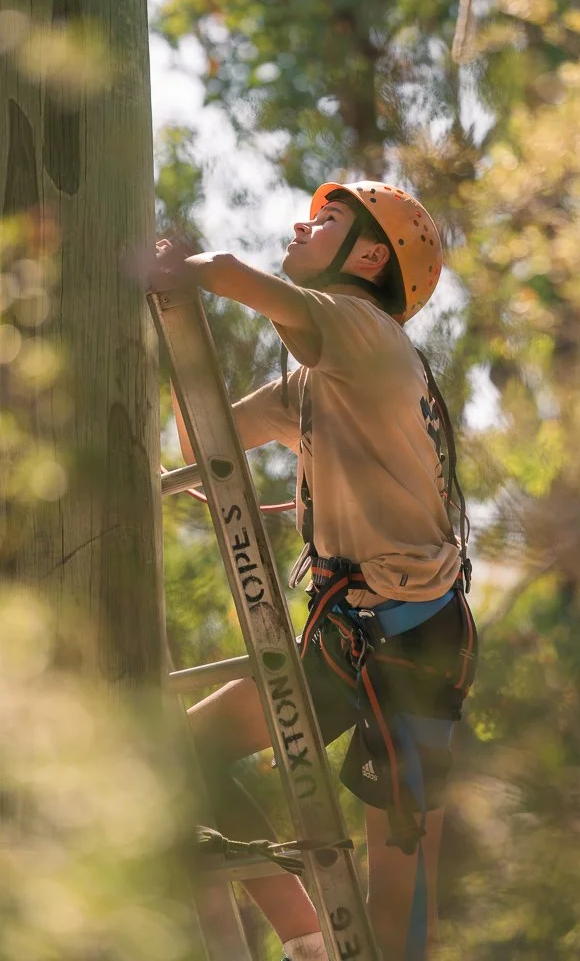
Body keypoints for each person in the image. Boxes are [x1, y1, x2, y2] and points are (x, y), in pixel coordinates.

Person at [152, 180, 478, 961]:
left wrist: (172, 270)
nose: (303, 223)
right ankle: (307, 937)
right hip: (344, 637)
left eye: (326, 220)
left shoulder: (364, 329)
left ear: (369, 256)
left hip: (416, 641)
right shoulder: (315, 381)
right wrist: (178, 352)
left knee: (399, 894)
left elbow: (233, 273)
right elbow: (207, 448)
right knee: (178, 755)